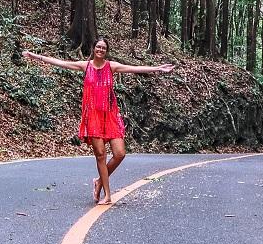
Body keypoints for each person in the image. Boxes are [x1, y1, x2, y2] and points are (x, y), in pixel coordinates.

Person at [22, 37, 174, 205]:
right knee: (101, 155)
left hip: (110, 116)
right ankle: (107, 194)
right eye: (98, 47)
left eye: (103, 48)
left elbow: (134, 68)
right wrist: (35, 56)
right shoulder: (85, 66)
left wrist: (159, 68)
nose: (100, 50)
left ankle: (99, 181)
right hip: (92, 117)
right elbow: (60, 63)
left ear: (106, 51)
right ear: (93, 49)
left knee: (119, 154)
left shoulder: (111, 66)